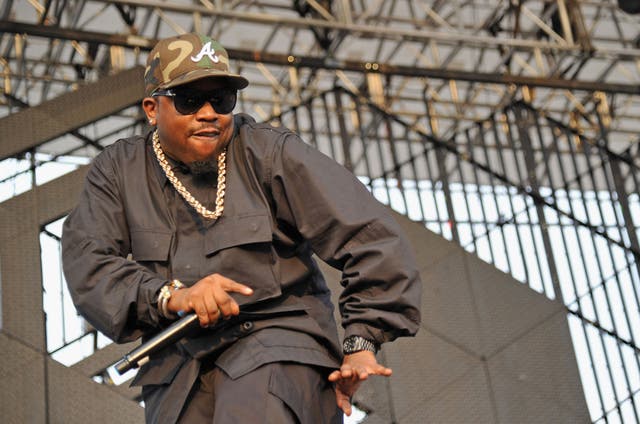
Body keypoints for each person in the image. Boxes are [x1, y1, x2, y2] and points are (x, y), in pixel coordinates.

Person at [62, 32, 421, 424]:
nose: (207, 113)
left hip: (279, 347)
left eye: (221, 100)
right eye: (188, 100)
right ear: (152, 108)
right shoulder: (117, 170)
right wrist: (171, 296)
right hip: (179, 368)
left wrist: (361, 341)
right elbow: (89, 263)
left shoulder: (270, 153)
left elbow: (372, 237)